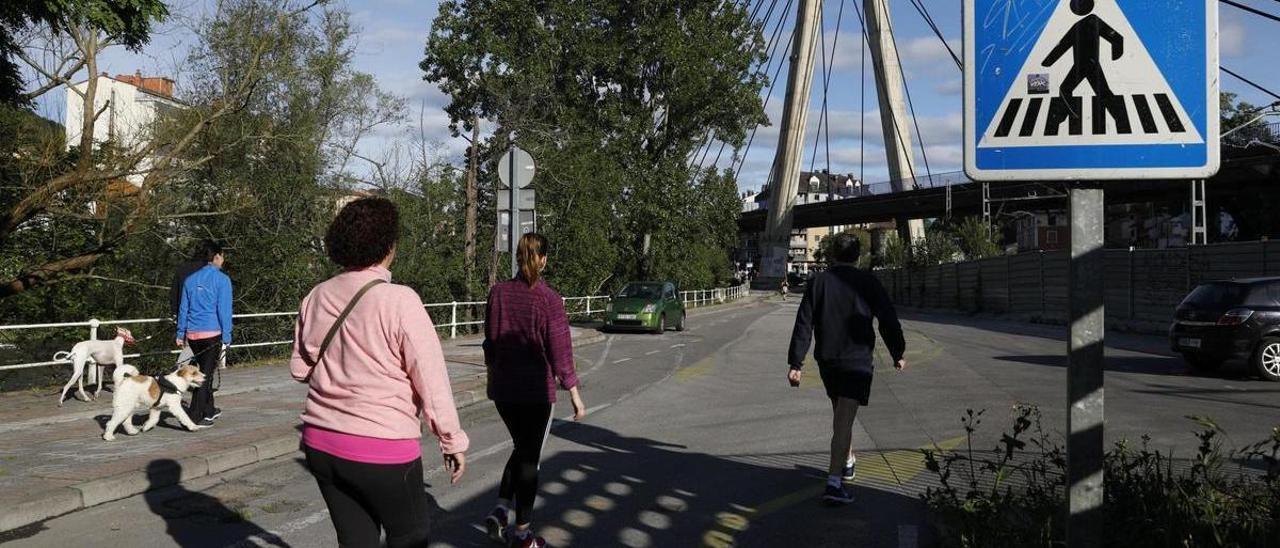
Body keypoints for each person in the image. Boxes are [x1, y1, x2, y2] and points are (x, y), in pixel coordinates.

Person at [290, 197, 469, 548]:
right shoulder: (401, 301)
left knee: (356, 541)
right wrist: (451, 439)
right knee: (410, 536)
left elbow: (299, 368)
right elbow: (431, 381)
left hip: (322, 443)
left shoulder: (316, 296)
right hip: (382, 446)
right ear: (388, 246)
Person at [786, 233, 907, 505]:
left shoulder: (818, 283)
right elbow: (888, 318)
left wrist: (796, 363)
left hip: (827, 360)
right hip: (856, 362)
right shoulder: (868, 282)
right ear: (859, 256)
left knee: (841, 413)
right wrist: (897, 351)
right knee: (843, 418)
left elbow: (804, 323)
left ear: (832, 256)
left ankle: (848, 459)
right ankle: (833, 482)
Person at [482, 233, 587, 548]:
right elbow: (560, 350)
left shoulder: (497, 293)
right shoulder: (549, 299)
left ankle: (501, 510)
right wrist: (575, 393)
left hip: (503, 390)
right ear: (543, 260)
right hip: (535, 393)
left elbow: (490, 341)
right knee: (529, 460)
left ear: (517, 257)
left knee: (521, 448)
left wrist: (490, 378)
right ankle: (524, 536)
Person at [175, 239, 232, 426]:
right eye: (222, 256)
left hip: (192, 335)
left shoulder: (190, 280)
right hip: (211, 334)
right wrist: (227, 335)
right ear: (216, 257)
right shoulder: (222, 280)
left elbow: (183, 308)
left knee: (204, 371)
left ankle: (209, 409)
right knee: (203, 378)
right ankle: (194, 416)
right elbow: (224, 310)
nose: (223, 260)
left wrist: (180, 332)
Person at [171, 242, 213, 370]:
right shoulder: (209, 271)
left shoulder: (182, 269)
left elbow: (174, 293)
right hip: (202, 317)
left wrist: (175, 314)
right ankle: (177, 373)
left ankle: (196, 381)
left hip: (183, 314)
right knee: (200, 351)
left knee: (191, 347)